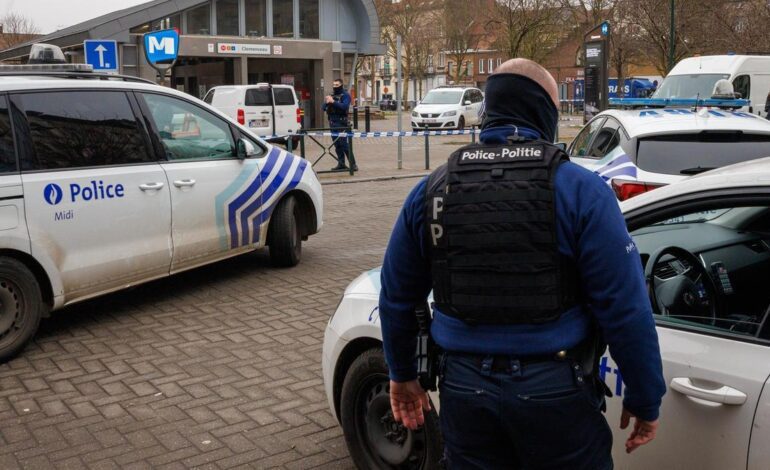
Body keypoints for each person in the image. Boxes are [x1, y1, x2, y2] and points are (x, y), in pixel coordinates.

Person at [379, 58, 666, 469]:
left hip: (464, 390)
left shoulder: (432, 188)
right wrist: (644, 395)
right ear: (544, 112)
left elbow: (396, 296)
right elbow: (624, 307)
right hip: (555, 390)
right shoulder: (581, 190)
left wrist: (403, 374)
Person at [322, 79, 356, 171]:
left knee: (344, 144)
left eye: (337, 84)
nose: (335, 86)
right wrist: (327, 102)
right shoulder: (331, 95)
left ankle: (353, 165)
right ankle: (341, 164)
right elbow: (323, 108)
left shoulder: (345, 95)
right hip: (332, 123)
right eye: (334, 84)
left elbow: (344, 106)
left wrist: (333, 102)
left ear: (341, 85)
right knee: (337, 145)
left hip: (341, 123)